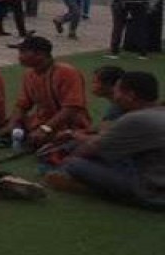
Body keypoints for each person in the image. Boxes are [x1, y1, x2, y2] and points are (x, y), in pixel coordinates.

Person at [44, 71, 165, 210]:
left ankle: (90, 187)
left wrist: (64, 160)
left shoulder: (136, 119)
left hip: (151, 189)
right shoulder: (159, 111)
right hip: (152, 174)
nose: (115, 96)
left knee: (73, 163)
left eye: (117, 91)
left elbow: (91, 148)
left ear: (131, 95)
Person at [0, 36, 91, 149]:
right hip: (41, 122)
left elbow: (71, 108)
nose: (19, 57)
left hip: (68, 125)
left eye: (23, 52)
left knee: (58, 143)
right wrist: (11, 124)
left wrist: (45, 129)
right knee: (6, 124)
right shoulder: (29, 75)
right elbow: (22, 105)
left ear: (40, 54)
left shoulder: (67, 73)